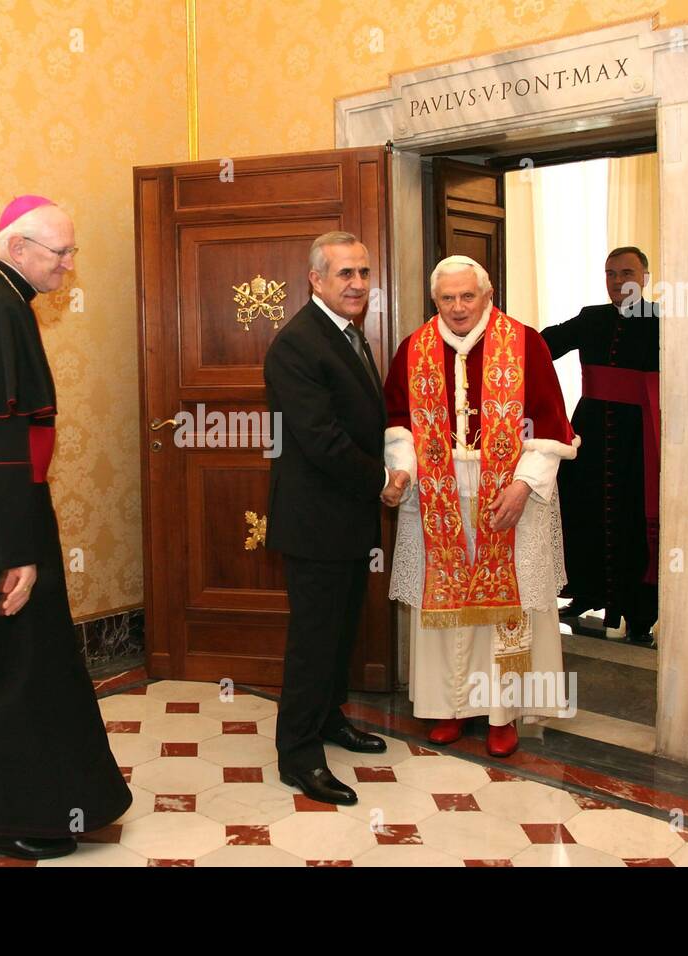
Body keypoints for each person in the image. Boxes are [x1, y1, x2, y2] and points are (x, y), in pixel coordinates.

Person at [0, 196, 131, 860]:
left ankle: (63, 802)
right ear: (19, 248)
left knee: (36, 659)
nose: (69, 266)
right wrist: (21, 552)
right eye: (60, 253)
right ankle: (12, 822)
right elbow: (2, 440)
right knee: (18, 662)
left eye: (71, 253)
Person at [383, 256, 578, 758]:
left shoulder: (525, 342)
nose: (457, 307)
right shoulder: (414, 348)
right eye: (447, 298)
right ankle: (450, 706)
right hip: (437, 493)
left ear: (487, 296)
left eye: (467, 297)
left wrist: (522, 487)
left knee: (507, 606)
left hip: (511, 490)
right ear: (435, 301)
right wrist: (401, 471)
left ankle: (503, 713)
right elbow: (399, 420)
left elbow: (551, 423)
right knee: (445, 602)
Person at [263, 231, 409, 806]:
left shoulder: (350, 335)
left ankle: (328, 719)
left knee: (342, 631)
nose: (356, 284)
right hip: (315, 520)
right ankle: (298, 753)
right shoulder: (296, 344)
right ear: (315, 280)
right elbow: (322, 440)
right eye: (344, 274)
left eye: (363, 273)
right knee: (313, 639)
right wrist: (382, 480)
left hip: (348, 518)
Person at [542, 247, 660, 646]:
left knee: (633, 520)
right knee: (582, 509)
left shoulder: (662, 321)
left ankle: (638, 613)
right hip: (590, 430)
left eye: (626, 271)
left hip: (640, 435)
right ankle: (585, 592)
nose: (616, 280)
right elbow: (542, 346)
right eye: (609, 273)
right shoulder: (592, 317)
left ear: (645, 276)